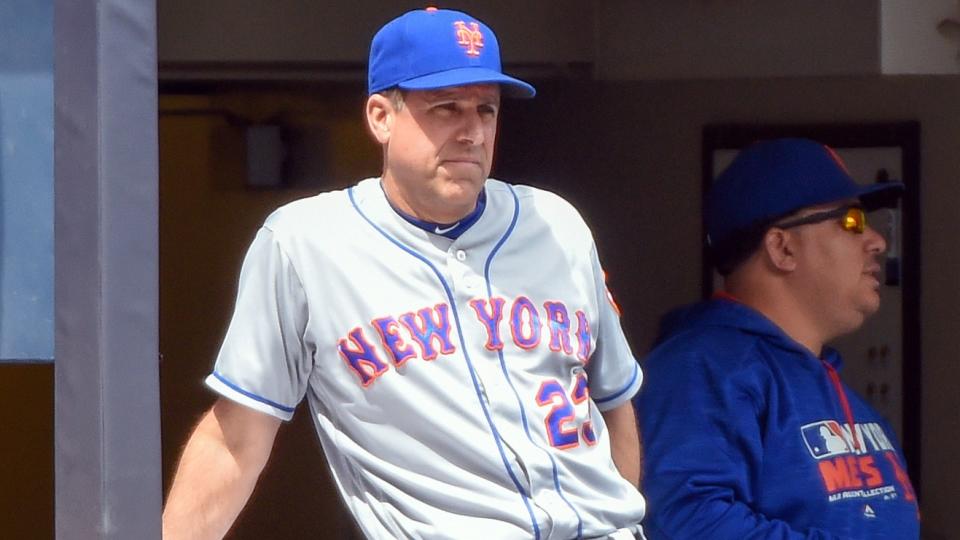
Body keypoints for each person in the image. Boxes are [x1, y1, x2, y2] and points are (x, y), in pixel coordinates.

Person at [162, 8, 646, 540]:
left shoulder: (556, 224)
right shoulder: (306, 243)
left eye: (486, 110)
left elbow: (613, 404)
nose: (472, 131)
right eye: (446, 108)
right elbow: (236, 439)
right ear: (380, 117)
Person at [634, 138, 919, 539]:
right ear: (782, 248)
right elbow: (690, 522)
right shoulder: (700, 369)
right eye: (851, 221)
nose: (878, 241)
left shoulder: (828, 385)